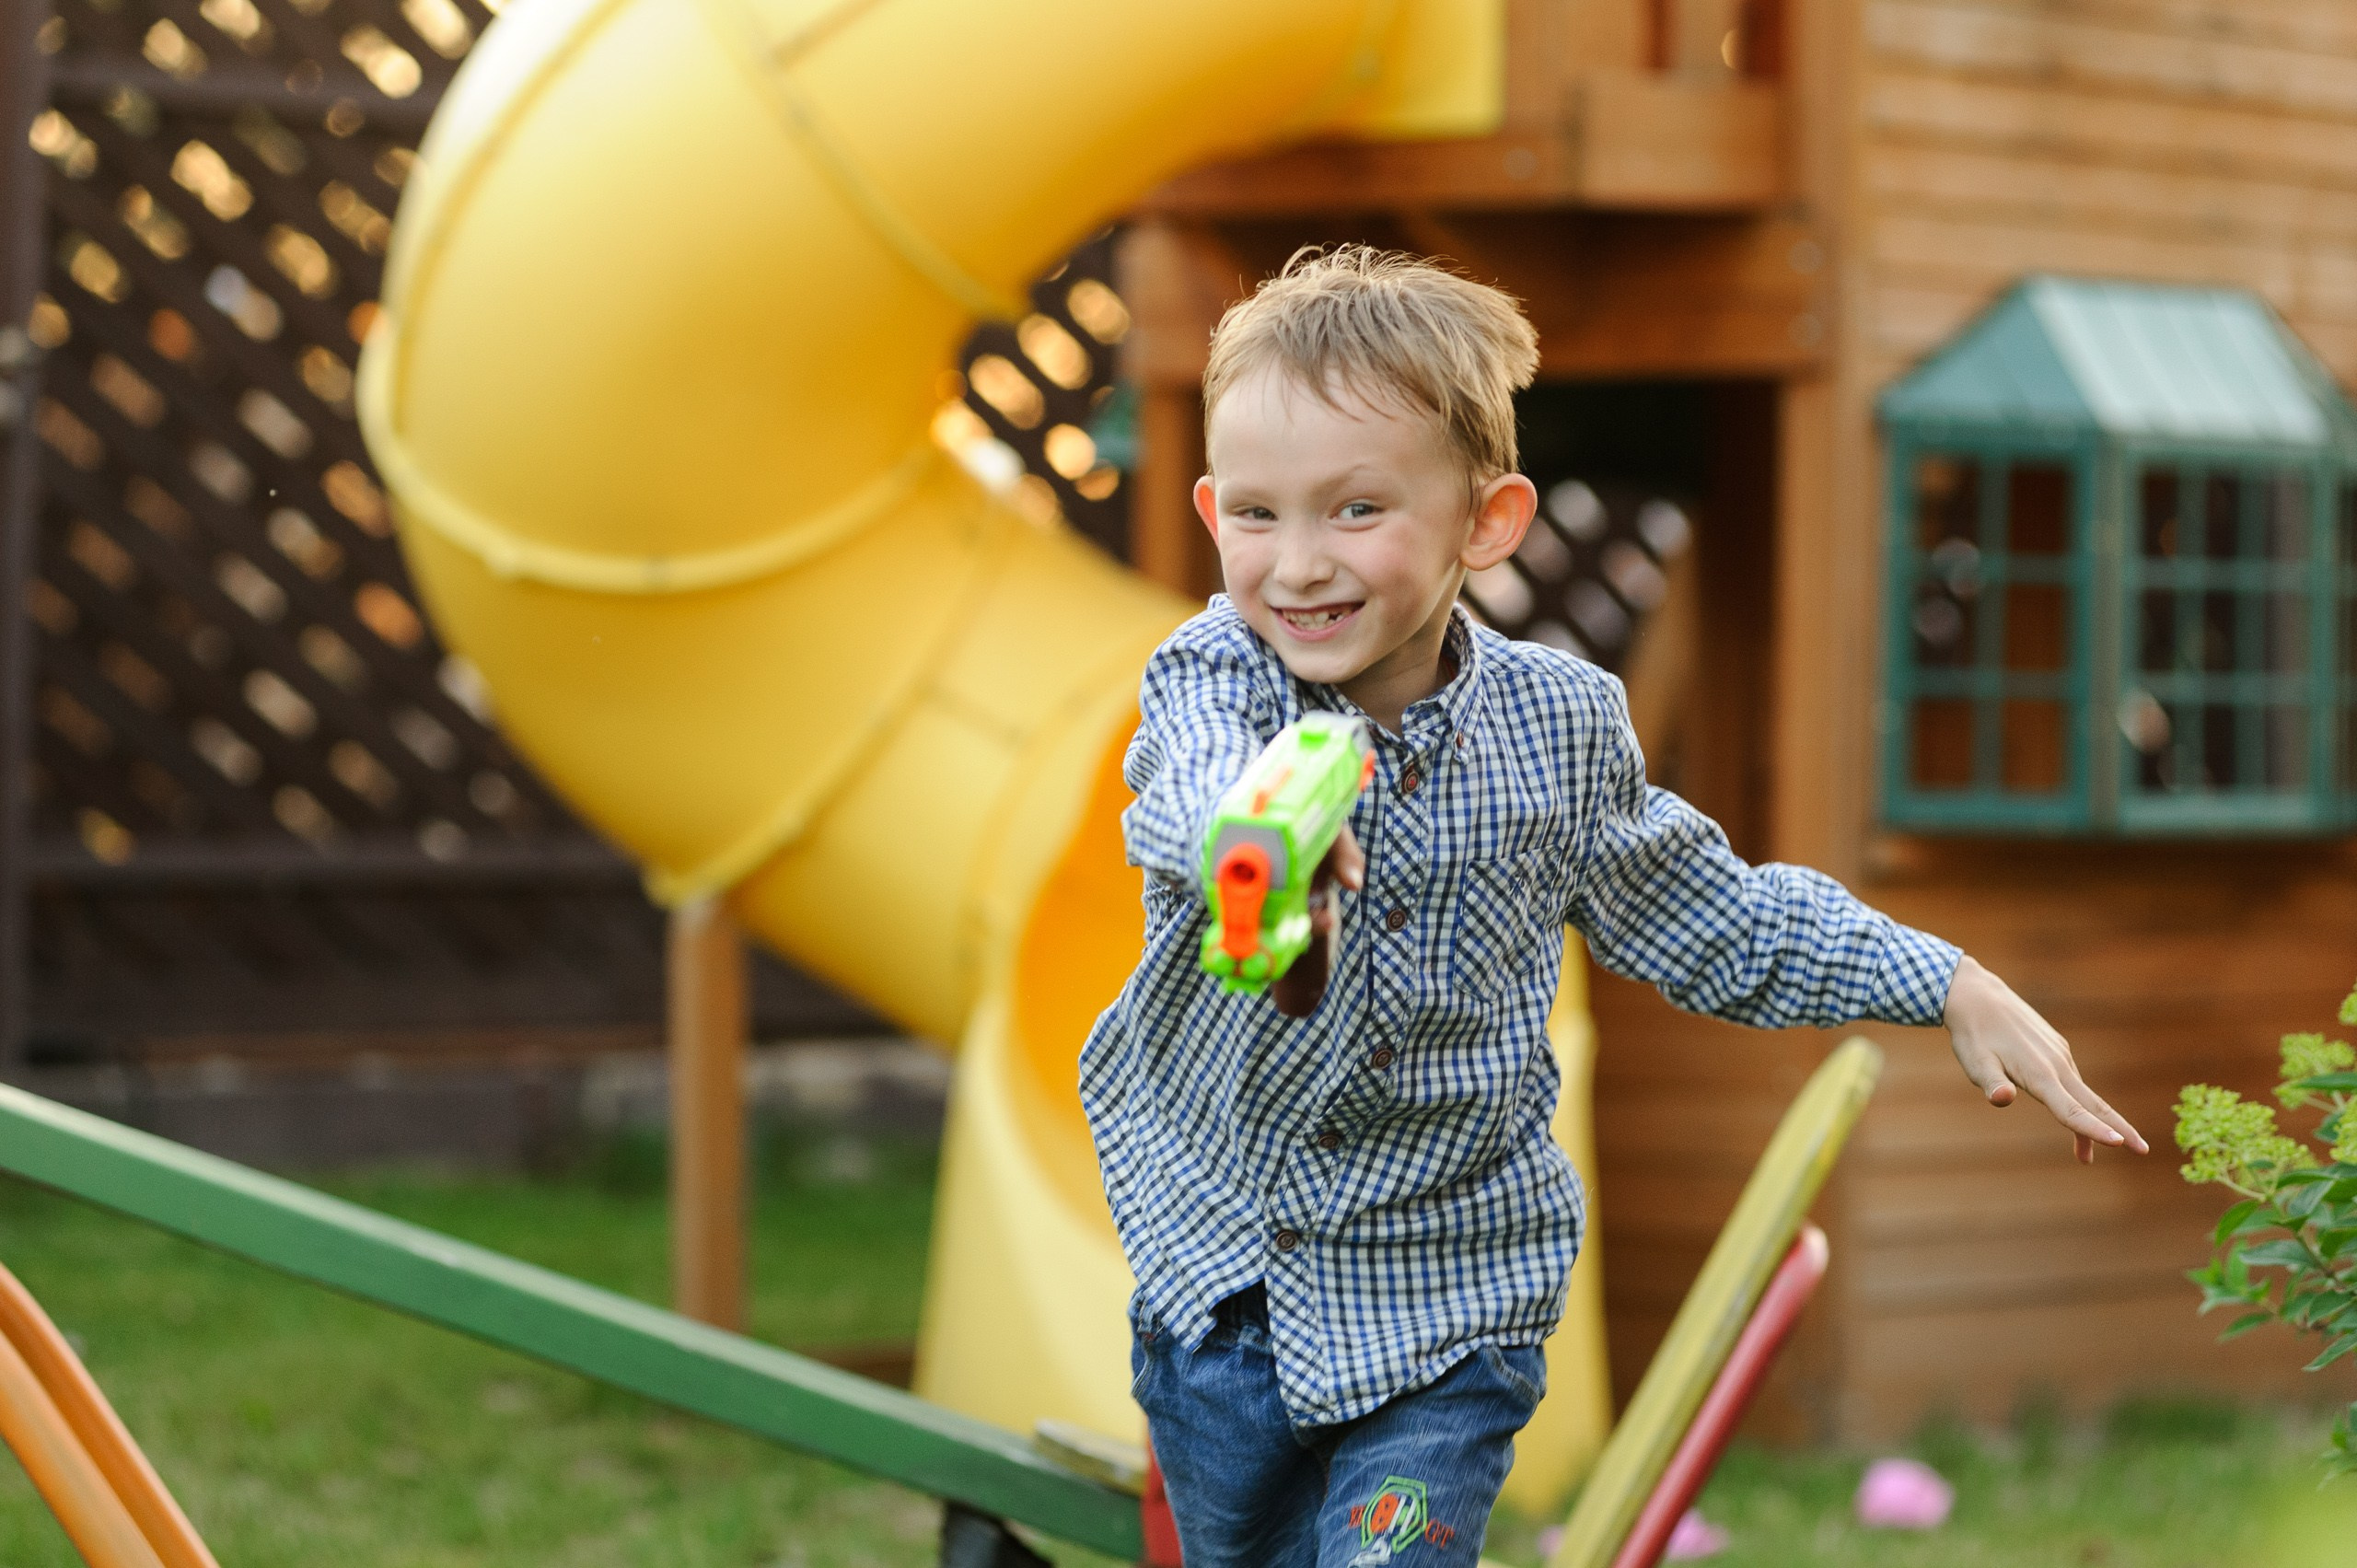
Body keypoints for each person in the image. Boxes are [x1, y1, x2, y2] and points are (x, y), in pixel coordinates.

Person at [1076, 246, 2147, 1568]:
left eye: (1356, 511)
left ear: (1489, 522)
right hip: (1224, 1283)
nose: (1297, 565)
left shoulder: (1559, 731)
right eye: (1257, 515)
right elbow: (1190, 795)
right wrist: (1260, 838)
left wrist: (1945, 980)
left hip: (1443, 1298)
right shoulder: (1216, 683)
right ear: (1210, 509)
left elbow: (1715, 916)